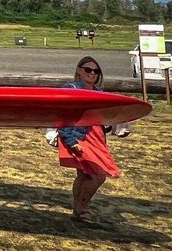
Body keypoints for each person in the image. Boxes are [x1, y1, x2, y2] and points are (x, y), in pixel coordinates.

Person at [57, 56, 121, 223]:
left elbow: (104, 117)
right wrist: (71, 141)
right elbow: (61, 116)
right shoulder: (71, 89)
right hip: (79, 137)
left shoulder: (100, 92)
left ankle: (77, 211)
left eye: (96, 71)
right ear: (79, 70)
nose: (92, 74)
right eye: (88, 70)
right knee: (98, 176)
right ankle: (83, 209)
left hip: (97, 138)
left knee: (85, 176)